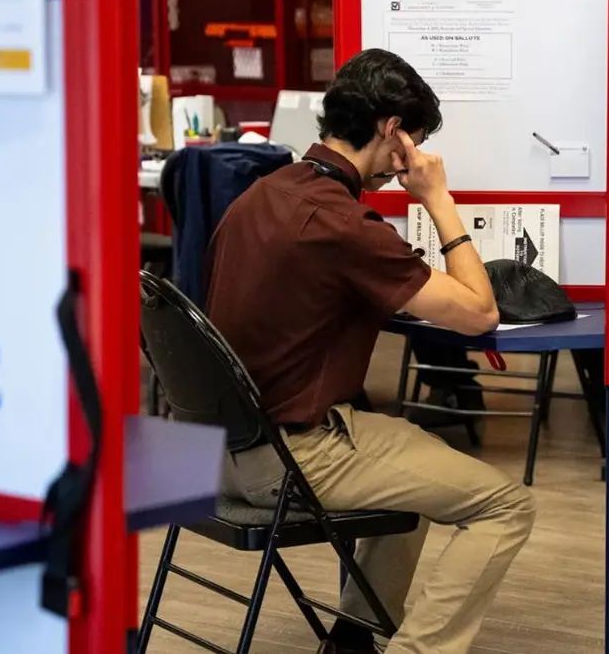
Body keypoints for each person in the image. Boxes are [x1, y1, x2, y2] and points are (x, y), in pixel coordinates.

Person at [202, 48, 537, 654]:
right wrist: (436, 197)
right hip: (288, 456)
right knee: (505, 506)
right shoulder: (344, 225)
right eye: (416, 140)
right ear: (393, 132)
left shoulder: (260, 196)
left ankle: (354, 640)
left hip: (216, 448)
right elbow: (480, 311)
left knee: (412, 453)